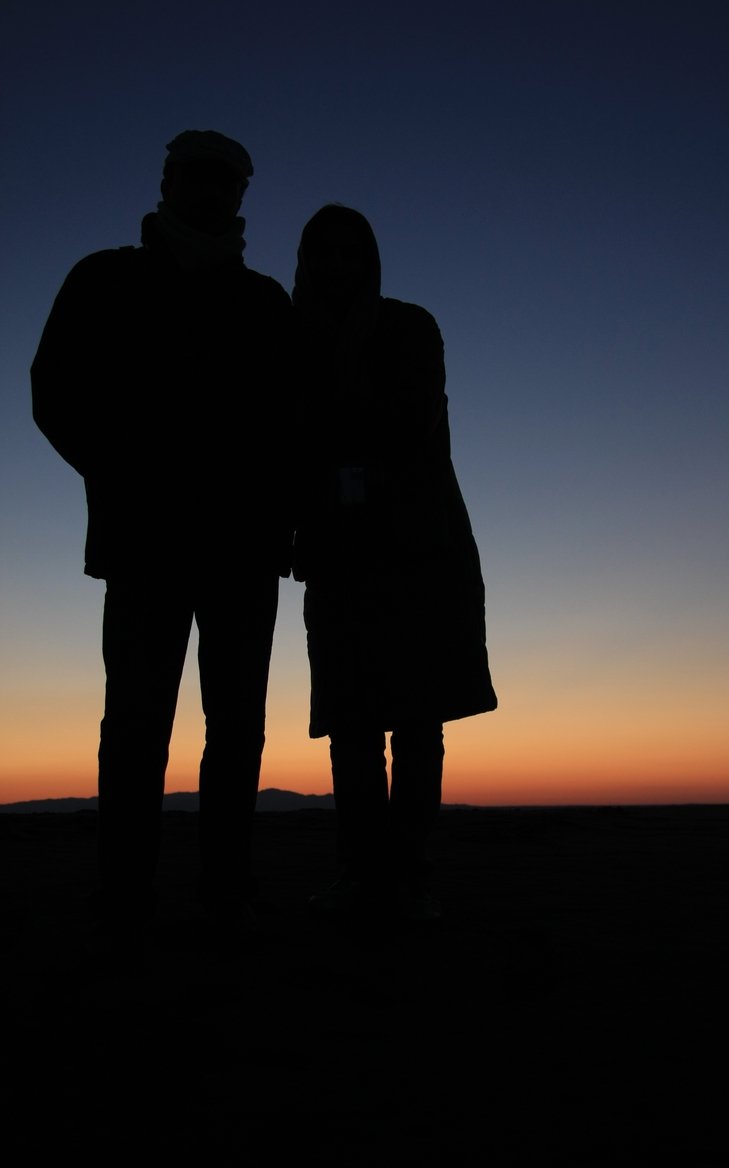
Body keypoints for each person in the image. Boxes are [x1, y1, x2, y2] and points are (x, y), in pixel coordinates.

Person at [31, 130, 295, 952]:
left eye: (227, 182)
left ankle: (224, 891)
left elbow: (292, 425)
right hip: (146, 545)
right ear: (169, 182)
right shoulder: (106, 279)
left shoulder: (262, 304)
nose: (214, 193)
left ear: (240, 195)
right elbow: (55, 390)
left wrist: (282, 520)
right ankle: (126, 895)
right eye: (199, 178)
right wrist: (121, 475)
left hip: (243, 551)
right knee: (138, 725)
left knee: (236, 725)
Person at [291, 203, 497, 922]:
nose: (340, 266)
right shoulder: (293, 339)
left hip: (418, 547)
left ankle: (406, 873)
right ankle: (361, 872)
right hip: (339, 554)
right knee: (352, 724)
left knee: (415, 720)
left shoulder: (409, 326)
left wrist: (340, 456)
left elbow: (409, 428)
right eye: (326, 253)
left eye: (353, 252)